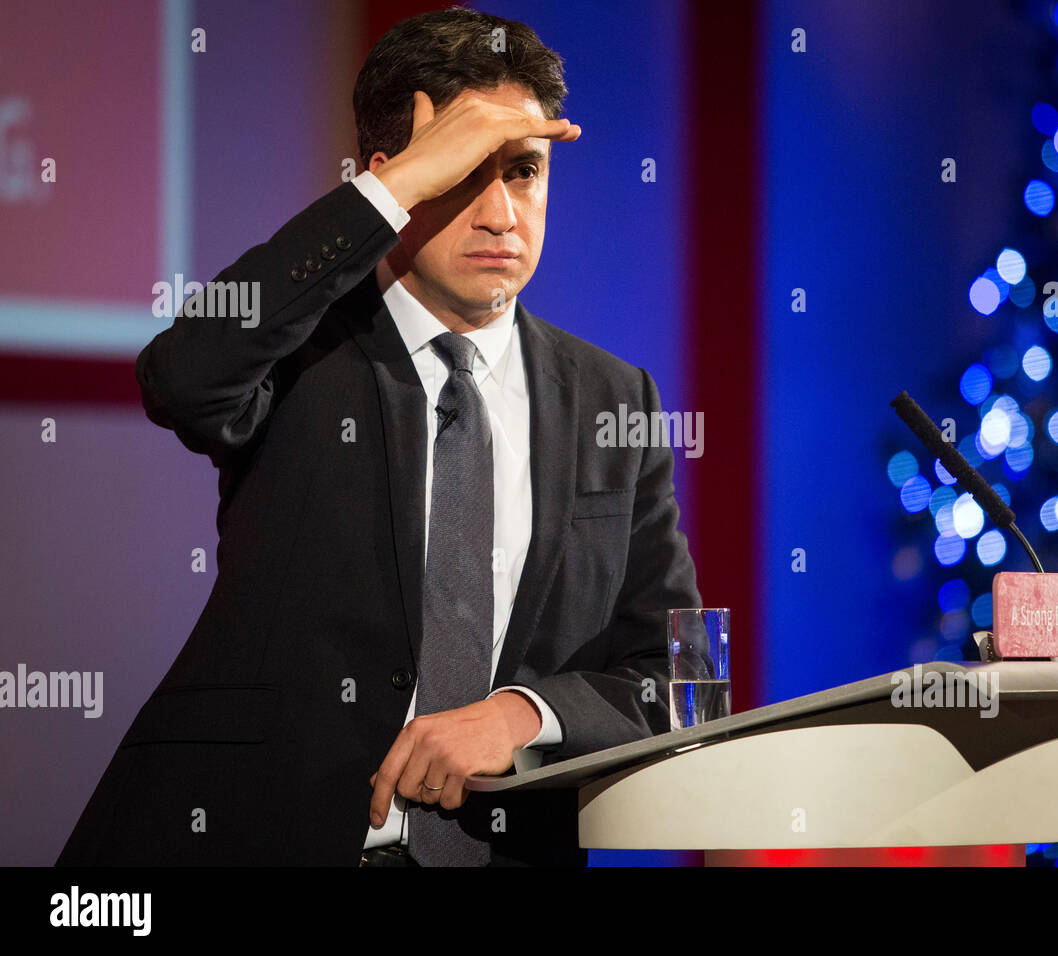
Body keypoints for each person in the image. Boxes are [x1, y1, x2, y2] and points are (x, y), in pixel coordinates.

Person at [56, 6, 700, 867]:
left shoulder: (613, 399)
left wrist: (527, 714)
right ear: (395, 175)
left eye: (526, 172)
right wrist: (383, 199)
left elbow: (675, 682)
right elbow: (181, 375)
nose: (503, 214)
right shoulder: (303, 348)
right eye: (466, 173)